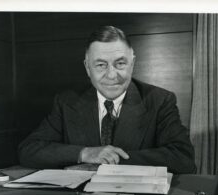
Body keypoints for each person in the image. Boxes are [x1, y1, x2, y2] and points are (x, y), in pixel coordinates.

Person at [18, 26, 196, 174]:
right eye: (101, 65)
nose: (112, 75)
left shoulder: (160, 100)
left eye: (120, 63)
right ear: (88, 68)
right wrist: (85, 153)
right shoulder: (66, 102)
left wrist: (109, 160)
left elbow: (183, 159)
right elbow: (29, 150)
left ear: (132, 63)